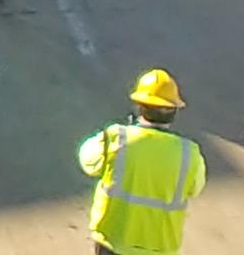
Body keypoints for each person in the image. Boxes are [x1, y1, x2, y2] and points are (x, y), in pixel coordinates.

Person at [77, 69, 207, 255]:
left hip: (113, 243)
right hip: (160, 248)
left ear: (139, 107)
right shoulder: (189, 153)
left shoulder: (117, 138)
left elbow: (87, 161)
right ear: (174, 111)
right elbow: (195, 187)